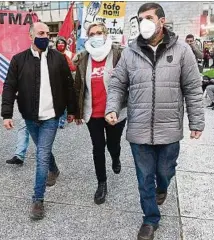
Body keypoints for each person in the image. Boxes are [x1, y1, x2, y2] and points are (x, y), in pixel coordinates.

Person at [104, 3, 205, 240]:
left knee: (165, 170)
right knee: (144, 177)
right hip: (139, 129)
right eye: (140, 19)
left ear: (162, 21)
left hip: (169, 129)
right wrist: (112, 108)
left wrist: (196, 122)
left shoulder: (182, 50)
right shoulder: (130, 53)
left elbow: (192, 88)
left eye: (148, 17)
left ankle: (164, 186)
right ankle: (150, 219)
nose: (143, 23)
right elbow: (118, 84)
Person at [1, 22, 76, 220]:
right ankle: (54, 169)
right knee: (44, 150)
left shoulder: (58, 59)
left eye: (47, 33)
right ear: (30, 36)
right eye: (41, 33)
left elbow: (69, 85)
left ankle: (38, 199)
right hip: (30, 117)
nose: (45, 36)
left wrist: (72, 110)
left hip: (51, 117)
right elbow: (9, 86)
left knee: (41, 154)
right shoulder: (18, 60)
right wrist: (6, 114)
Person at [73, 22, 126, 205]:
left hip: (115, 112)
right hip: (92, 112)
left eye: (99, 32)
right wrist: (77, 111)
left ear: (105, 34)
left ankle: (116, 156)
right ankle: (102, 183)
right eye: (92, 33)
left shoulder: (118, 54)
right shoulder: (83, 58)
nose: (96, 36)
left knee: (113, 143)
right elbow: (78, 87)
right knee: (97, 147)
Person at [55, 37, 76, 129]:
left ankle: (62, 120)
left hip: (66, 81)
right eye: (58, 43)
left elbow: (73, 67)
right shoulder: (51, 54)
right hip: (55, 82)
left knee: (64, 100)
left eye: (62, 43)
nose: (60, 45)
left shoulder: (70, 54)